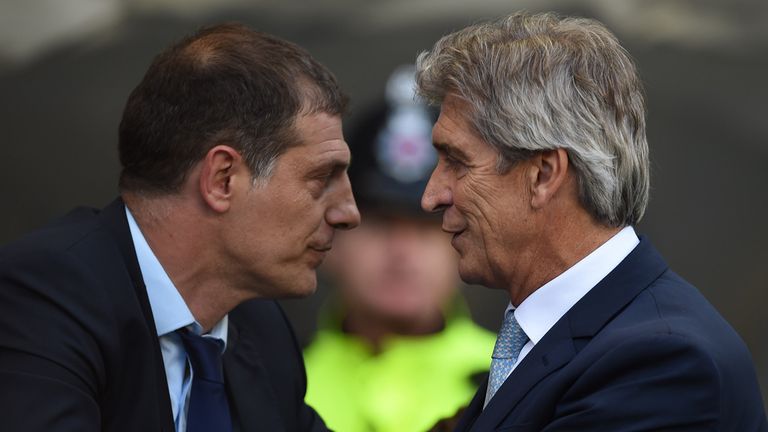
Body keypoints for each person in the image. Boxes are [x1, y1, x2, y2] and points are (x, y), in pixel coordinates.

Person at [414, 11, 767, 431]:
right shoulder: (570, 335)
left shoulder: (662, 363)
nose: (431, 196)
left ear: (544, 175)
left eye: (457, 161)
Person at [0, 23, 359, 432]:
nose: (348, 212)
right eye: (321, 178)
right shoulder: (42, 299)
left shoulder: (260, 328)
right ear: (222, 179)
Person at [303, 65, 496, 432]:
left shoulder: (521, 380)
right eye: (379, 224)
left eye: (429, 225)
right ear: (331, 233)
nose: (402, 252)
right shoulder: (273, 385)